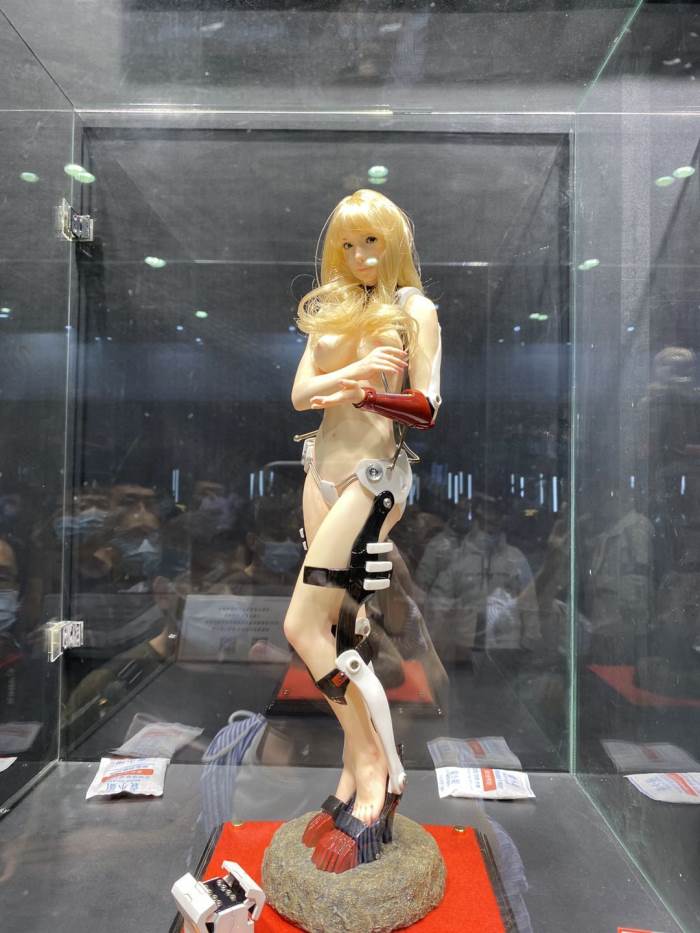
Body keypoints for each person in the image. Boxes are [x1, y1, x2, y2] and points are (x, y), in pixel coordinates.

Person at [282, 189, 441, 871]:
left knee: (302, 626)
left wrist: (367, 393)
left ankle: (378, 770)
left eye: (371, 241)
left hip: (372, 477)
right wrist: (355, 376)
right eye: (347, 244)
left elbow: (426, 406)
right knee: (343, 630)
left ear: (394, 242)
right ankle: (351, 778)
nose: (359, 255)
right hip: (318, 468)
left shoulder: (414, 310)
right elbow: (301, 395)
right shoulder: (332, 309)